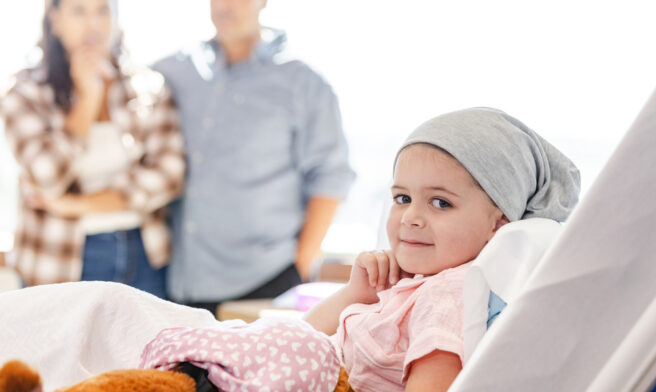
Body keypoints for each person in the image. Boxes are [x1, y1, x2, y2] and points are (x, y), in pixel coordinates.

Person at [138, 107, 581, 391]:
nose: (411, 217)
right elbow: (308, 333)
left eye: (441, 203)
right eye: (402, 198)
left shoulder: (450, 294)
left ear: (498, 223)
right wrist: (356, 294)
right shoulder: (413, 286)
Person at [152, 0, 356, 313]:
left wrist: (300, 264)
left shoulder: (302, 81)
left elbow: (331, 176)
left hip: (266, 281)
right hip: (180, 285)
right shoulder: (174, 71)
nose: (225, 5)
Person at [0, 0, 183, 298]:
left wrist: (73, 205)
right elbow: (47, 176)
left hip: (144, 255)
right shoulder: (24, 92)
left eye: (102, 10)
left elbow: (169, 176)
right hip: (60, 262)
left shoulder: (147, 87)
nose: (93, 24)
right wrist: (88, 99)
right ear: (55, 20)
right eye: (79, 11)